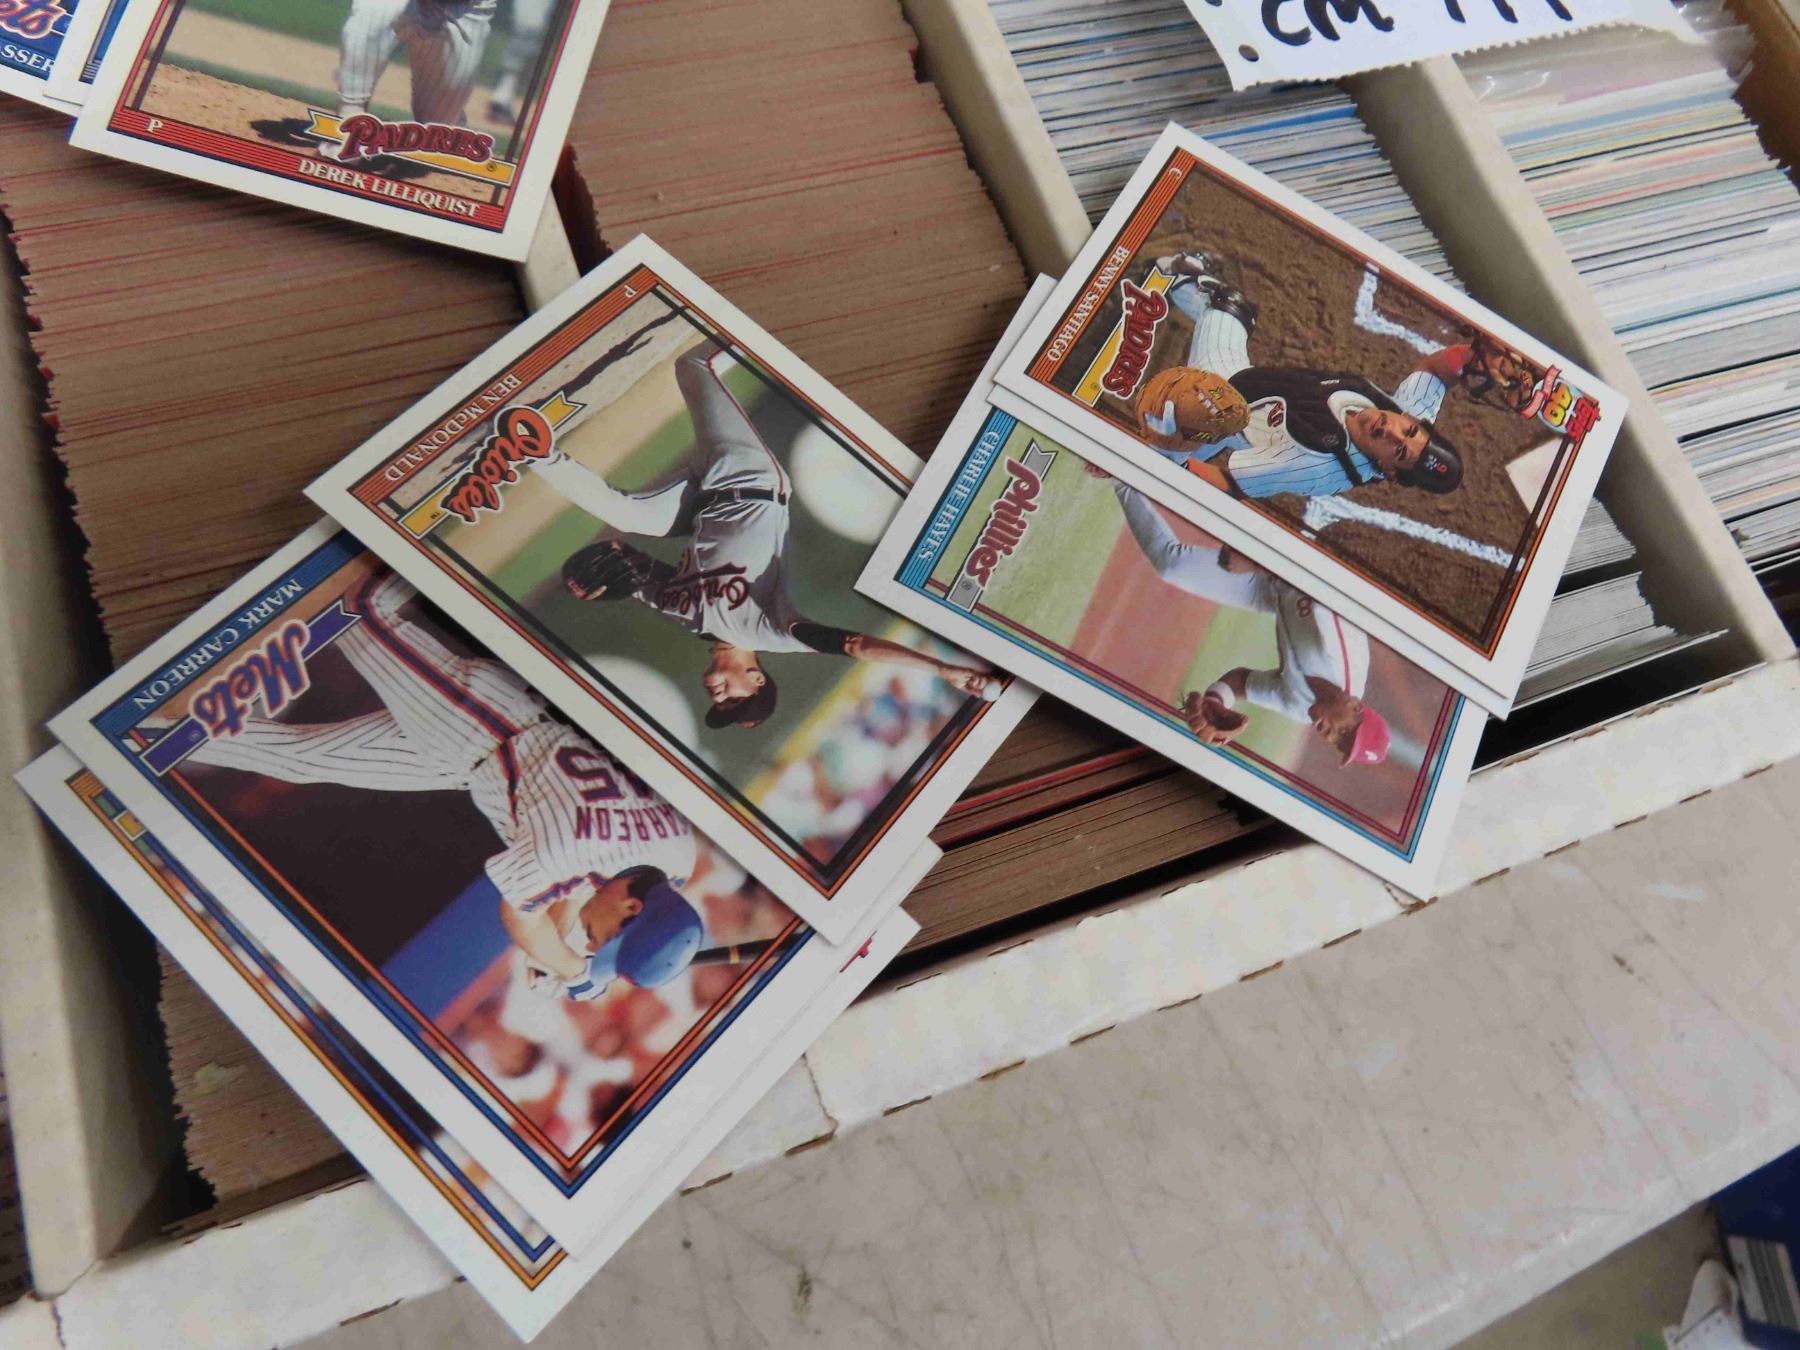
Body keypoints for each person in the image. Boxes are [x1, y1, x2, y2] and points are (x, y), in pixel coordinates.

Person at [542, 339, 998, 730]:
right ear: (757, 679)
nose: (720, 698)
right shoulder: (770, 630)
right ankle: (750, 326)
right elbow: (858, 646)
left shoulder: (681, 613)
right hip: (748, 477)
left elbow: (619, 559)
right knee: (693, 365)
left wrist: (591, 580)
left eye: (720, 705)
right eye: (735, 700)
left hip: (698, 500)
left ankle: (532, 451)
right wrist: (941, 668)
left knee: (623, 513)